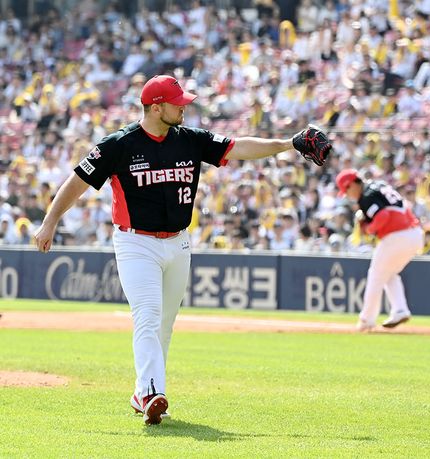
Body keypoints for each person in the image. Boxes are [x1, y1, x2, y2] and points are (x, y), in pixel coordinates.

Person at [33, 75, 330, 425]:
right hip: (135, 241)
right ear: (156, 108)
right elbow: (78, 180)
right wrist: (50, 221)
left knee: (165, 325)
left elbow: (239, 147)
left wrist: (288, 143)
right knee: (147, 314)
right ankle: (151, 393)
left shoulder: (189, 139)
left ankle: (142, 391)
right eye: (178, 103)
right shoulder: (119, 144)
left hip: (178, 241)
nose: (184, 107)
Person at [335, 169, 424, 331]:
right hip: (415, 234)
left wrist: (368, 228)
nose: (347, 195)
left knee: (376, 274)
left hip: (398, 236)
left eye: (346, 190)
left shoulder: (366, 196)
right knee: (388, 273)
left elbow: (383, 216)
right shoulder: (379, 185)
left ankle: (366, 319)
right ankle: (400, 310)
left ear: (353, 184)